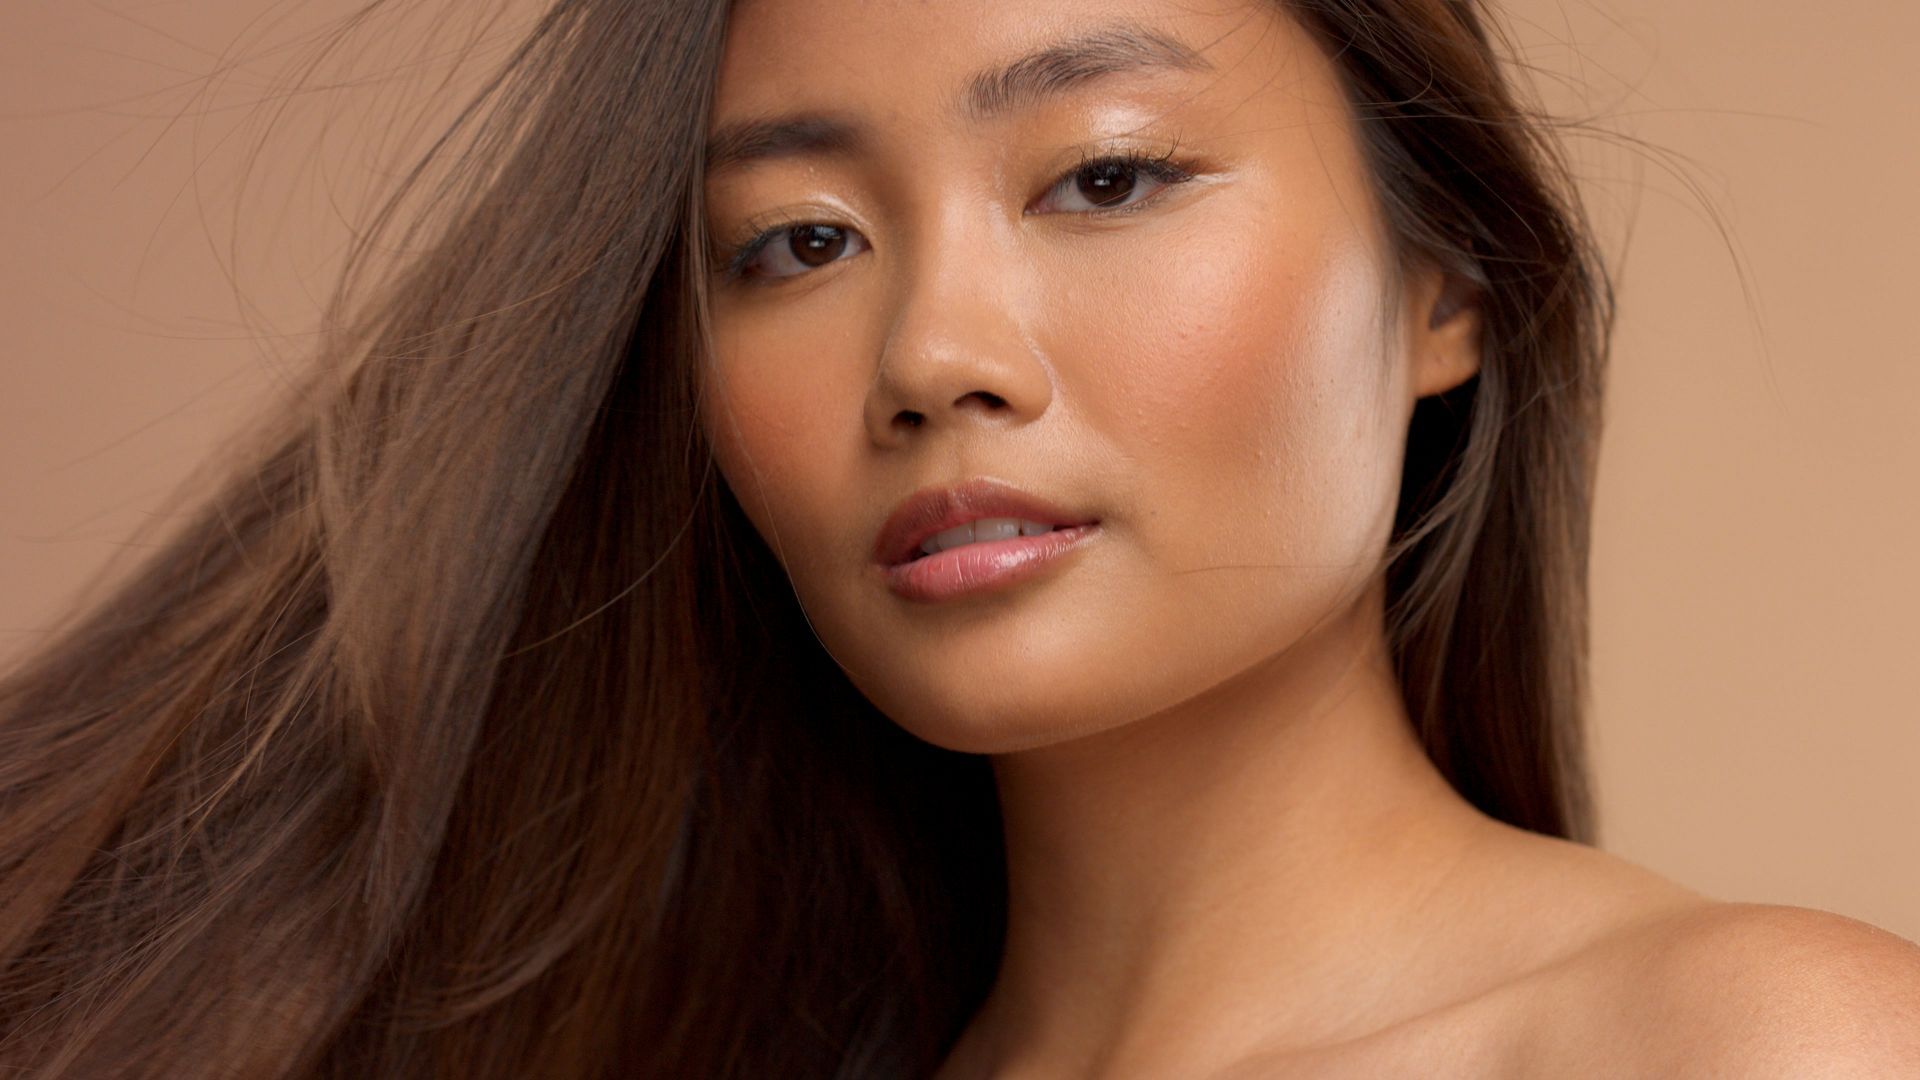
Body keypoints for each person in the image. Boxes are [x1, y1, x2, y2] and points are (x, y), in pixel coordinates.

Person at [2, 0, 1916, 1076]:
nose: (927, 356)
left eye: (1104, 175)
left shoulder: (1756, 1048)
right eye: (799, 243)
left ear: (1445, 287)